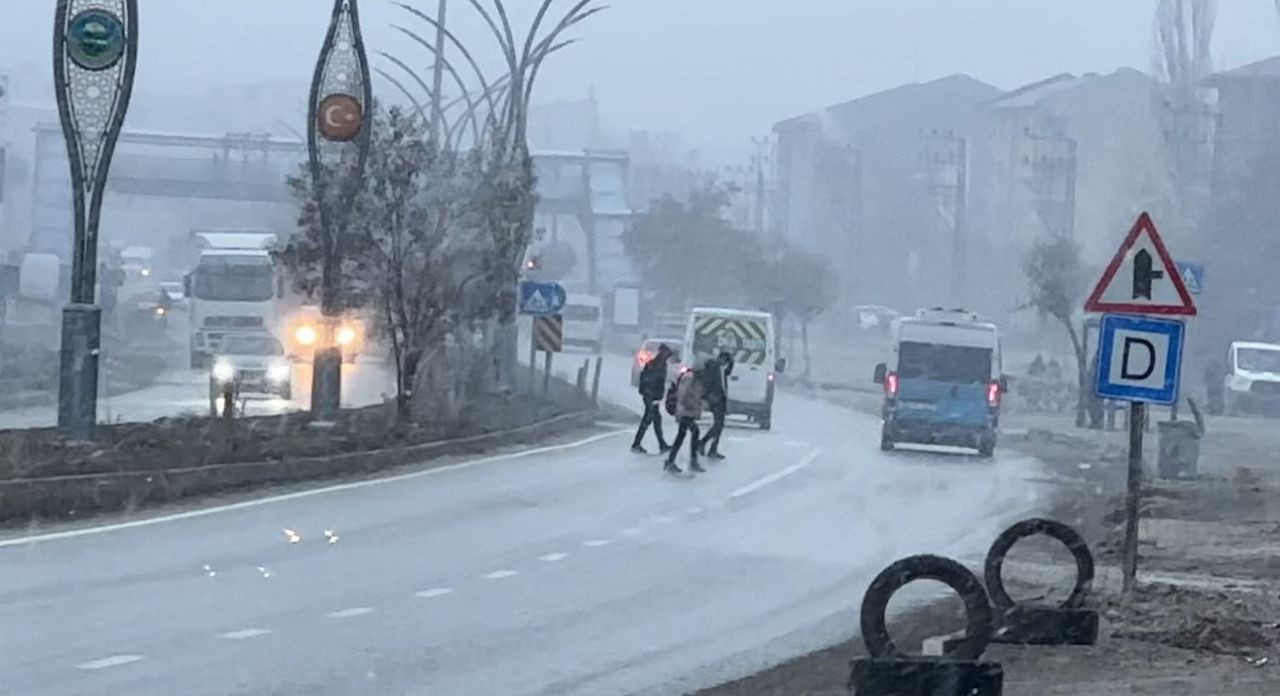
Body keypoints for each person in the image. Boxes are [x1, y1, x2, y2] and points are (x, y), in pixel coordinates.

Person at [631, 343, 673, 454]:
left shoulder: (662, 365)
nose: (667, 357)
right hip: (650, 396)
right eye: (666, 354)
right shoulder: (653, 364)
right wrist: (647, 394)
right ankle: (637, 444)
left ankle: (660, 444)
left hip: (654, 396)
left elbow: (660, 382)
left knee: (656, 420)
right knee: (648, 419)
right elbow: (646, 379)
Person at [665, 359, 706, 474]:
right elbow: (684, 395)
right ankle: (692, 461)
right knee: (694, 432)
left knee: (681, 436)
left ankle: (671, 461)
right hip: (685, 412)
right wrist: (692, 405)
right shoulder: (690, 378)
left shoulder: (696, 380)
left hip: (688, 412)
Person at [699, 350, 734, 459]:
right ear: (721, 359)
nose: (726, 364)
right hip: (715, 398)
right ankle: (704, 443)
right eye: (726, 361)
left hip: (720, 398)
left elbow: (727, 373)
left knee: (719, 425)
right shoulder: (713, 367)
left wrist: (732, 363)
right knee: (718, 424)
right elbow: (707, 382)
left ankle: (712, 448)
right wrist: (709, 396)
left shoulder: (720, 368)